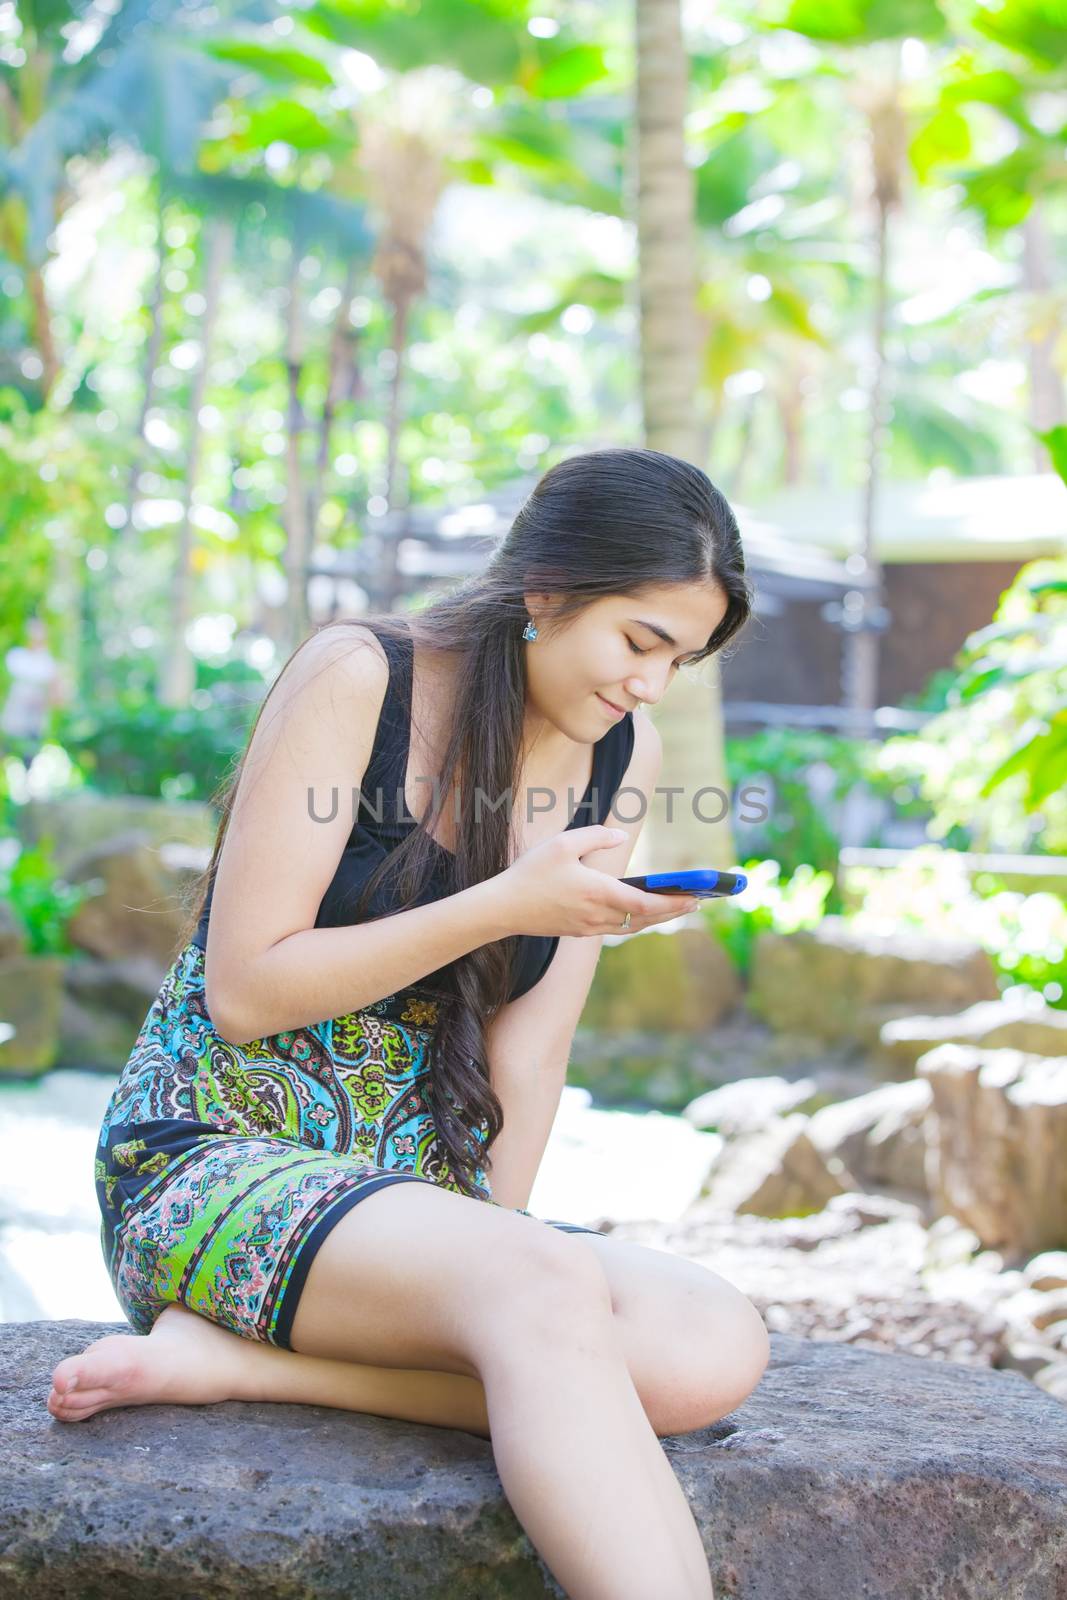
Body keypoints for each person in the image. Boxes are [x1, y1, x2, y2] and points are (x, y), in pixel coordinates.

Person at [48, 447, 766, 1600]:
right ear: (545, 588)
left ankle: (245, 1365)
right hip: (215, 1160)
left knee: (713, 1344)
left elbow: (529, 1054)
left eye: (680, 660)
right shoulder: (358, 677)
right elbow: (246, 988)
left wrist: (498, 1248)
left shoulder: (620, 756)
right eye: (640, 642)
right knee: (547, 1300)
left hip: (413, 1202)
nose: (651, 686)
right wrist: (505, 901)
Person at [1, 615, 67, 770]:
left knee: (29, 755)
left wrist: (45, 701)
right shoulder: (16, 656)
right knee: (6, 749)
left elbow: (57, 695)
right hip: (13, 716)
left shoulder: (48, 662)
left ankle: (28, 788)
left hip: (35, 718)